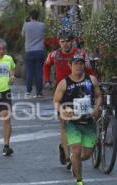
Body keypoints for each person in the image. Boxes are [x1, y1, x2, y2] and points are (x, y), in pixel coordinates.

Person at [43, 29, 95, 167]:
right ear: (59, 42)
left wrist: (94, 85)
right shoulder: (54, 54)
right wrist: (47, 79)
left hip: (80, 92)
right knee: (64, 124)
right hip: (63, 93)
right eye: (62, 41)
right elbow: (46, 65)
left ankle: (71, 148)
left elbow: (90, 71)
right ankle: (67, 157)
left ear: (73, 41)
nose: (65, 44)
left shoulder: (81, 54)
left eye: (68, 41)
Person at [53, 53, 102, 185]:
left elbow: (98, 96)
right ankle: (79, 181)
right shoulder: (64, 83)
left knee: (85, 155)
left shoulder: (91, 80)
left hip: (88, 122)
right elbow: (56, 101)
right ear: (70, 65)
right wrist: (63, 110)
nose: (79, 66)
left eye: (81, 63)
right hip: (72, 122)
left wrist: (96, 108)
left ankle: (74, 160)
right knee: (76, 149)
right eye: (76, 64)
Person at [21, 10, 46, 98]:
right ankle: (39, 92)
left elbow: (22, 35)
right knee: (39, 72)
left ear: (30, 16)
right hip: (39, 50)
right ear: (38, 16)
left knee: (29, 72)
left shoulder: (26, 25)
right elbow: (44, 35)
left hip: (29, 51)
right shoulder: (42, 25)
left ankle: (28, 91)